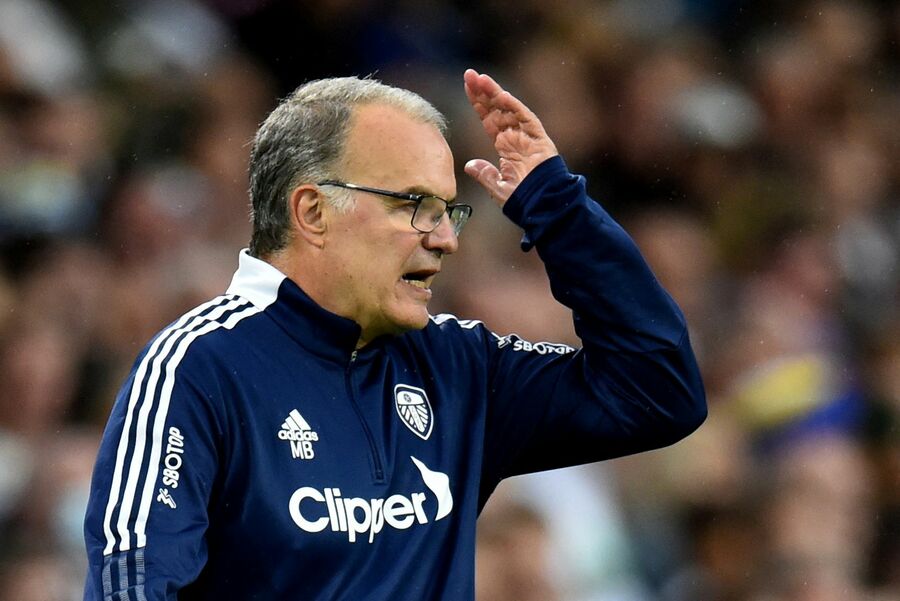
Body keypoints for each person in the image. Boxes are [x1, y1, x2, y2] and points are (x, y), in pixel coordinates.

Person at [82, 69, 706, 600]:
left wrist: (558, 207)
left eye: (448, 210)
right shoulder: (198, 367)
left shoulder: (460, 368)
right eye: (414, 206)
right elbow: (133, 584)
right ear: (313, 212)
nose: (446, 239)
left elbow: (658, 391)